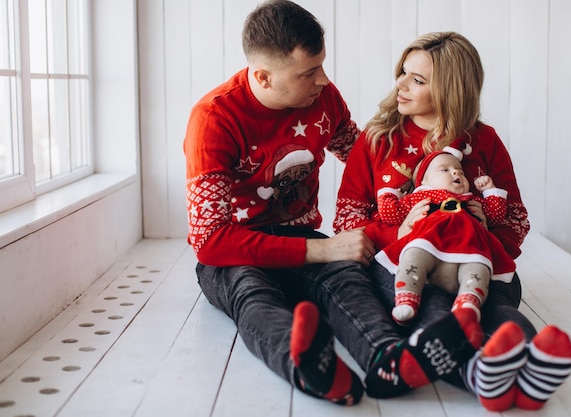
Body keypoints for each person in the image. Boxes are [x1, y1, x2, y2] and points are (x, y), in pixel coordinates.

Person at [183, 2, 484, 407]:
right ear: (263, 77)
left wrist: (424, 196)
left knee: (348, 280)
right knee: (253, 296)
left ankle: (386, 358)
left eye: (322, 65)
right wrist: (323, 247)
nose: (323, 80)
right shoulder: (214, 120)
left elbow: (367, 160)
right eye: (309, 72)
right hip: (236, 250)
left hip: (299, 235)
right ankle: (310, 366)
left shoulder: (322, 98)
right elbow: (211, 241)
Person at [334, 31, 571, 411]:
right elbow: (347, 219)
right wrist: (398, 230)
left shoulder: (485, 141)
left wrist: (484, 228)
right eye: (402, 72)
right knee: (433, 311)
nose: (400, 84)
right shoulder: (377, 140)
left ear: (451, 89)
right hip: (409, 269)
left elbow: (516, 217)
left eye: (417, 80)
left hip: (478, 265)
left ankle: (532, 365)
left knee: (498, 309)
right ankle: (482, 374)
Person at [374, 143, 515, 325]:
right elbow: (390, 213)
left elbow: (496, 216)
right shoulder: (421, 198)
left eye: (460, 171)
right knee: (413, 254)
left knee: (480, 266)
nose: (456, 173)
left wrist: (489, 190)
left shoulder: (471, 201)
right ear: (423, 181)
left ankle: (469, 302)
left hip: (469, 246)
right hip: (429, 243)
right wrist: (391, 194)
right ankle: (407, 295)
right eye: (445, 170)